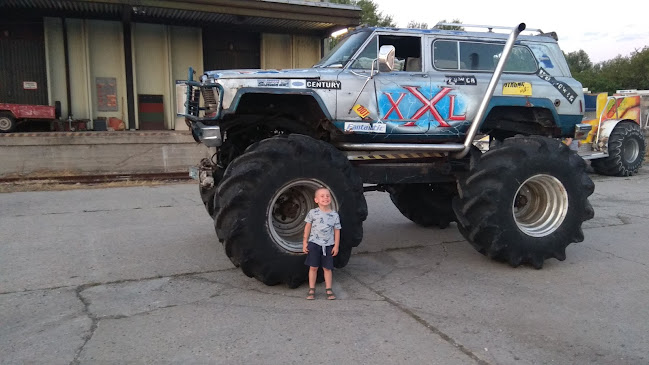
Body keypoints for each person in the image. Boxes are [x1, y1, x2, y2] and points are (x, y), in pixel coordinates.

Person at [303, 187, 341, 300]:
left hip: (328, 245)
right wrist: (305, 242)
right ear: (316, 200)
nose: (325, 198)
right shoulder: (313, 213)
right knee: (313, 267)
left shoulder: (334, 215)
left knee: (327, 268)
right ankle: (311, 289)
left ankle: (329, 289)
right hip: (314, 243)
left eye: (327, 196)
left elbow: (337, 230)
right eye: (322, 196)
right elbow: (307, 227)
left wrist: (336, 246)